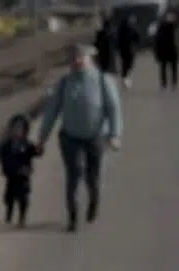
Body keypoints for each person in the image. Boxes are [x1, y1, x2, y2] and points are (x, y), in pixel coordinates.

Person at [34, 43, 123, 232]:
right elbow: (51, 112)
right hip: (70, 138)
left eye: (80, 57)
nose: (76, 61)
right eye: (73, 58)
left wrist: (115, 135)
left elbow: (114, 108)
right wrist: (41, 139)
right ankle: (73, 216)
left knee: (93, 177)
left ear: (90, 59)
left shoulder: (102, 80)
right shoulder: (64, 83)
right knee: (74, 174)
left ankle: (94, 200)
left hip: (96, 136)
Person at [0, 113, 41, 227]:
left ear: (25, 131)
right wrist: (5, 168)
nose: (17, 131)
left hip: (23, 176)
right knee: (9, 197)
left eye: (20, 129)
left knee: (23, 197)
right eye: (14, 128)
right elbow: (2, 156)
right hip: (11, 175)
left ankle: (22, 217)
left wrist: (39, 149)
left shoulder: (27, 145)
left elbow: (35, 152)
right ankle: (9, 212)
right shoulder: (6, 145)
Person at [156, 9, 179, 90]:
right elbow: (158, 40)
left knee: (173, 68)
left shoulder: (174, 27)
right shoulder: (163, 27)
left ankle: (173, 83)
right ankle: (165, 83)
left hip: (172, 50)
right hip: (165, 51)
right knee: (165, 67)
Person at [116, 12, 141, 87]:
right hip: (126, 49)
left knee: (128, 64)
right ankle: (125, 78)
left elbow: (137, 38)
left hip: (129, 49)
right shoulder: (124, 28)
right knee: (126, 64)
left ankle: (125, 77)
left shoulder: (133, 28)